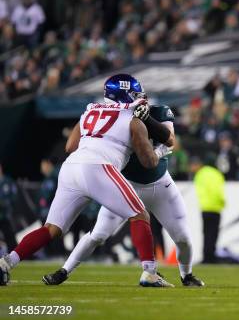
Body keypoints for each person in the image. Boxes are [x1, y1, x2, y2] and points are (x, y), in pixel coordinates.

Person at [0, 74, 171, 287]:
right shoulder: (133, 118)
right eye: (135, 93)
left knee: (51, 228)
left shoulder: (90, 110)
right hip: (99, 167)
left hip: (71, 167)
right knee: (139, 215)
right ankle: (149, 272)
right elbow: (148, 162)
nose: (140, 97)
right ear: (125, 94)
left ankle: (6, 263)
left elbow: (70, 146)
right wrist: (161, 150)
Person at [42, 102, 203, 287]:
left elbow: (170, 138)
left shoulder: (158, 111)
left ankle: (187, 275)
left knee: (183, 238)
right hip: (125, 185)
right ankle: (63, 271)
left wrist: (148, 121)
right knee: (97, 234)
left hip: (160, 186)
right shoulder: (117, 117)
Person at [193, 154, 225, 264]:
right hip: (215, 208)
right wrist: (222, 202)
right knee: (213, 234)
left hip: (204, 208)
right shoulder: (217, 174)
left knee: (206, 233)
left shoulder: (200, 173)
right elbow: (217, 191)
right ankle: (211, 257)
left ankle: (205, 257)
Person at [0, 164, 18, 252]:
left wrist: (4, 203)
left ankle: (14, 254)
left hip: (5, 215)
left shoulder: (8, 181)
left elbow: (14, 197)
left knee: (9, 236)